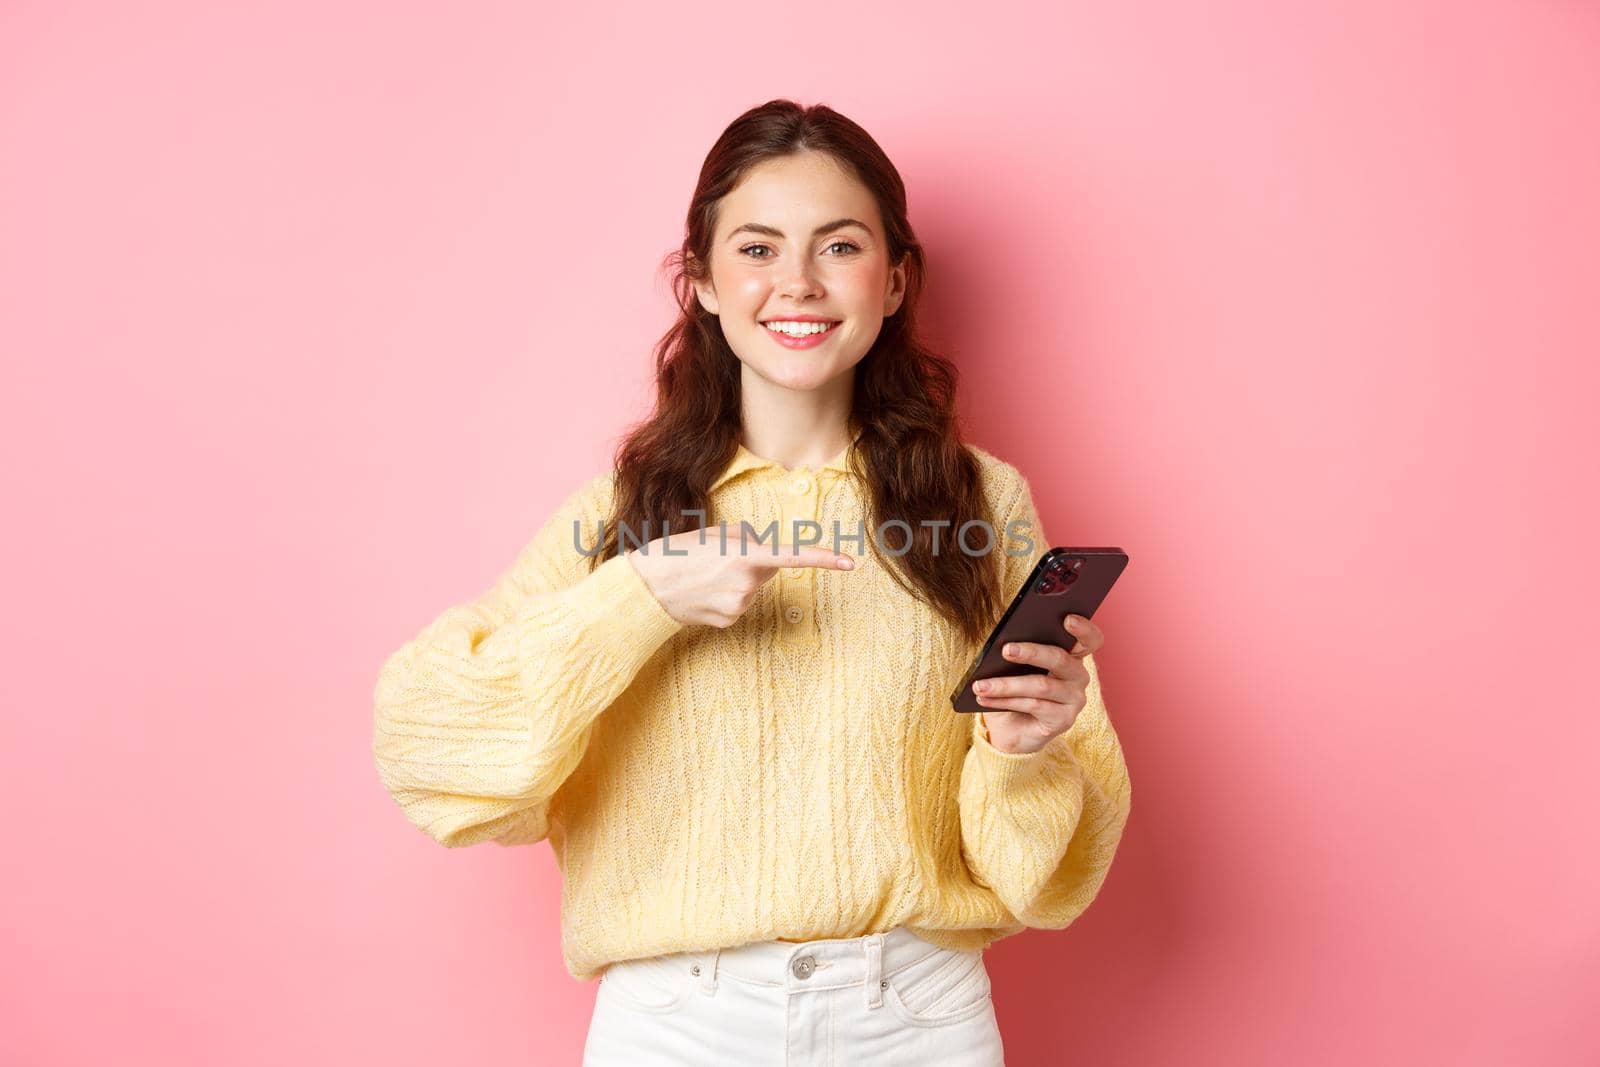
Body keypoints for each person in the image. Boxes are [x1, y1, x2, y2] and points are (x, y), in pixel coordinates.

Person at [371, 98, 1132, 1066]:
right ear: (702, 281)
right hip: (679, 1023)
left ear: (894, 280)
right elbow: (431, 741)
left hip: (914, 1016)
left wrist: (1024, 749)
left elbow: (1044, 872)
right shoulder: (622, 510)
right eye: (759, 249)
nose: (800, 284)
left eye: (840, 246)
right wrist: (637, 604)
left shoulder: (981, 498)